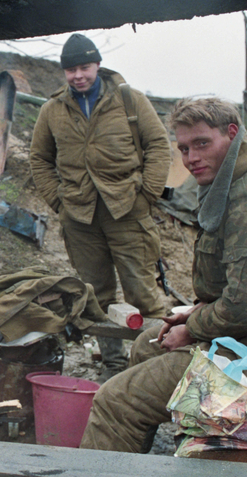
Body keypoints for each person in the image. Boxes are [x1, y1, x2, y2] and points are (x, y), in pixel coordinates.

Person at [80, 97, 247, 452]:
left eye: (202, 143)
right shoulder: (233, 184)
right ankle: (139, 463)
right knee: (147, 343)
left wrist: (193, 329)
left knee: (114, 401)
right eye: (184, 148)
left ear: (232, 135)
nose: (191, 158)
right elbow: (242, 290)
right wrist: (193, 315)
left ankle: (118, 453)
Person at [29, 33, 171, 381]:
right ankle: (113, 364)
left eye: (85, 67)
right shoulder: (52, 110)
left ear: (98, 66)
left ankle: (154, 362)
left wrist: (147, 194)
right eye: (71, 69)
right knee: (96, 296)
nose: (78, 75)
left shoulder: (129, 100)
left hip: (128, 211)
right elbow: (39, 159)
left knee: (143, 293)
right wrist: (59, 201)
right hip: (79, 217)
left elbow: (158, 146)